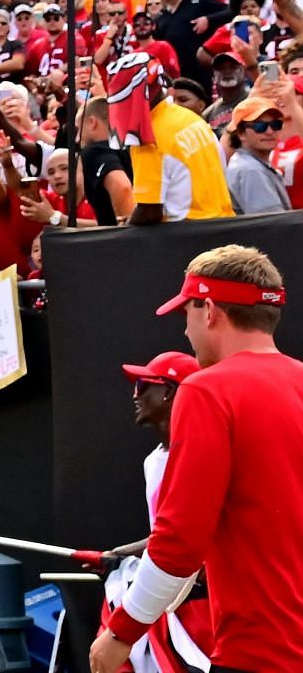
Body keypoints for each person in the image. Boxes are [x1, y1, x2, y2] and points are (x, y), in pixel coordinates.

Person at [91, 246, 303, 673]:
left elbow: (180, 541)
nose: (185, 332)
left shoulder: (207, 390)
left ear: (208, 310)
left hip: (260, 650)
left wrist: (120, 633)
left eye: (185, 313)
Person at [97, 353, 211, 673]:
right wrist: (119, 554)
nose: (135, 394)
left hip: (208, 608)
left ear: (170, 392)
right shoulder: (153, 461)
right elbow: (168, 535)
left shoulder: (205, 451)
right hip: (173, 600)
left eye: (143, 385)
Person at [104, 53, 231, 223]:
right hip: (224, 225)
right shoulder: (190, 118)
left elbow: (150, 210)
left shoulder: (147, 137)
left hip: (186, 235)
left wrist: (127, 226)